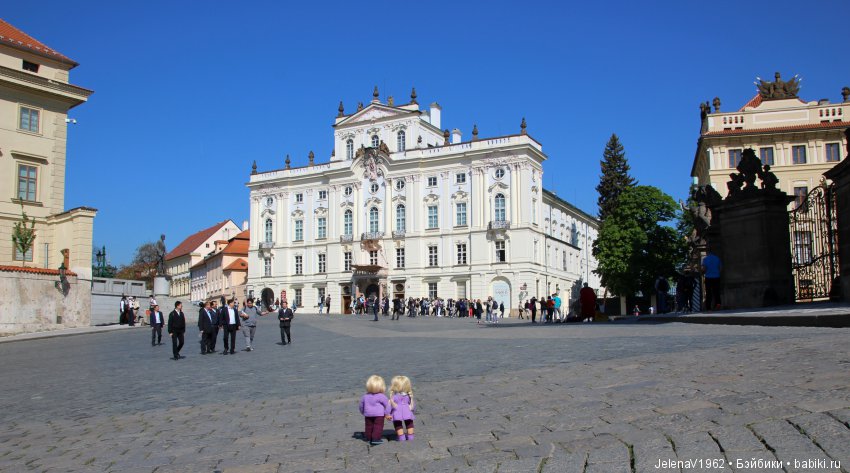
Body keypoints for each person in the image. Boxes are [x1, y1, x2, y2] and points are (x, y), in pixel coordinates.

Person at [359, 375, 390, 446]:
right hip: (379, 415)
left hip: (368, 414)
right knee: (378, 426)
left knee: (368, 426)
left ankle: (368, 437)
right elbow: (388, 405)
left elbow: (361, 406)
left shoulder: (365, 396)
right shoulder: (382, 396)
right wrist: (387, 413)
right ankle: (376, 439)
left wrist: (363, 412)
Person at [388, 375, 415, 441]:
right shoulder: (408, 396)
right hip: (407, 411)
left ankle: (401, 437)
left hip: (397, 412)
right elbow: (412, 404)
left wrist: (388, 413)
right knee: (409, 422)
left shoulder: (394, 396)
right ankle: (410, 436)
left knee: (397, 424)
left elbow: (389, 405)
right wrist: (412, 410)